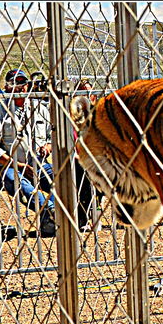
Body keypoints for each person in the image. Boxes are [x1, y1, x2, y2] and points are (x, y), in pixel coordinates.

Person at [0, 69, 56, 237]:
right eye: (16, 83)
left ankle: (55, 214)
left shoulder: (40, 108)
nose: (21, 87)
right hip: (11, 166)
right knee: (17, 181)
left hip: (39, 164)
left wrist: (47, 147)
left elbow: (51, 137)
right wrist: (18, 165)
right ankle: (49, 210)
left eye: (24, 83)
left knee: (62, 177)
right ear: (7, 87)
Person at [72, 78, 100, 231]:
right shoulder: (72, 116)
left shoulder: (98, 114)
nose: (88, 97)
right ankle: (84, 217)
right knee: (82, 169)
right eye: (84, 93)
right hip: (78, 158)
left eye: (90, 93)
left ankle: (97, 212)